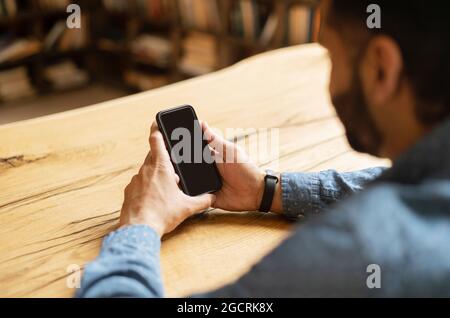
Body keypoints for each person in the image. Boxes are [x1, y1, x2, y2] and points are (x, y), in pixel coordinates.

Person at [76, 0, 450, 297]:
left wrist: (139, 225)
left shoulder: (361, 248)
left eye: (330, 56)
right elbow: (387, 181)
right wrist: (265, 190)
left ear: (381, 69)